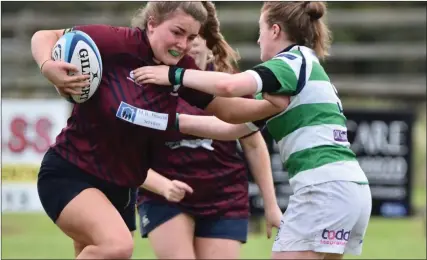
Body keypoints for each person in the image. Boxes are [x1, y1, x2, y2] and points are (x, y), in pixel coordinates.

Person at [30, 2, 286, 259]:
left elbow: (228, 111)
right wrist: (47, 66)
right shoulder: (116, 41)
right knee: (117, 246)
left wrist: (273, 105)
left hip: (122, 189)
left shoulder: (179, 71)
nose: (184, 44)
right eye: (177, 32)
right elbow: (45, 36)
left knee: (97, 251)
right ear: (151, 24)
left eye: (191, 37)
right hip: (71, 172)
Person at [131, 2, 372, 260]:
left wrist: (173, 75)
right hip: (351, 189)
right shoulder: (299, 72)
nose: (258, 39)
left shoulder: (290, 63)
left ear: (276, 31)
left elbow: (228, 86)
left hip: (323, 188)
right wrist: (171, 121)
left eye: (261, 30)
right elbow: (233, 128)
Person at [137, 34, 282, 259]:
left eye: (195, 34)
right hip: (165, 196)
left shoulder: (230, 85)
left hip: (224, 196)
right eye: (180, 33)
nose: (189, 41)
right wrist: (162, 185)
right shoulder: (152, 83)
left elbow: (254, 145)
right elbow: (124, 155)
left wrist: (271, 206)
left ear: (210, 41)